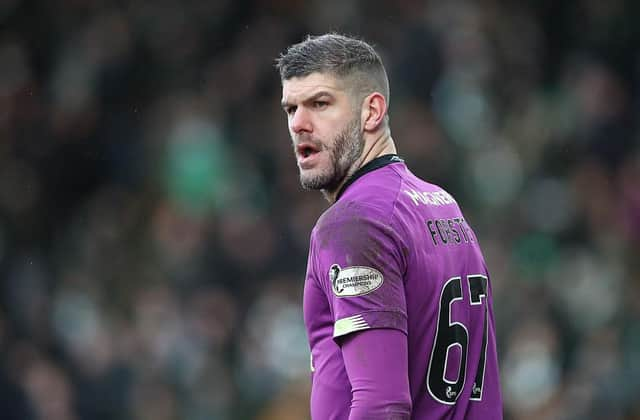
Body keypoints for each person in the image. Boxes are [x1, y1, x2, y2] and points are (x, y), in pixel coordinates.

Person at [276, 33, 503, 420]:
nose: (299, 123)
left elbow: (382, 406)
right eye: (291, 108)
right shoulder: (444, 207)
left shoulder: (354, 223)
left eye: (319, 103)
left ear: (372, 111)